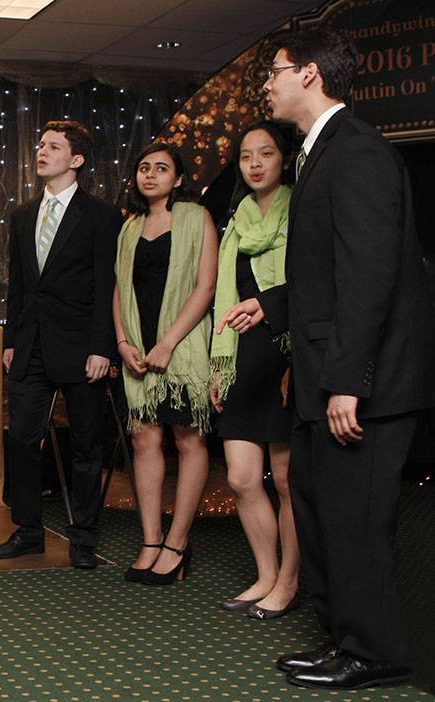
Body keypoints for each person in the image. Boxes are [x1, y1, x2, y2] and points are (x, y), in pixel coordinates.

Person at [220, 28, 434, 689]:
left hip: (362, 385)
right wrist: (273, 307)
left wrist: (348, 382)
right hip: (324, 377)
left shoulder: (360, 152)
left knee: (355, 522)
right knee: (315, 505)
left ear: (310, 74)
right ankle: (344, 640)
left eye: (275, 72)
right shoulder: (322, 153)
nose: (266, 84)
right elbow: (327, 273)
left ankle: (376, 653)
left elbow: (370, 276)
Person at [0, 121, 122, 569]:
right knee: (23, 440)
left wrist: (102, 347)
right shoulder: (24, 214)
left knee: (85, 447)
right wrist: (14, 342)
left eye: (53, 146)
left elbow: (107, 286)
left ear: (76, 160)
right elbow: (22, 285)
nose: (41, 151)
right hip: (32, 348)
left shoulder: (101, 215)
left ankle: (83, 538)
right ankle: (28, 530)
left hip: (84, 348)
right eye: (40, 144)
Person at [113, 142, 217, 586]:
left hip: (183, 342)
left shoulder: (196, 218)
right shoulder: (129, 227)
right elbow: (118, 289)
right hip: (138, 343)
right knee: (144, 440)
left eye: (161, 169)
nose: (150, 175)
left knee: (188, 437)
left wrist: (169, 343)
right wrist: (122, 341)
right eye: (143, 167)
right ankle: (151, 540)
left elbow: (206, 286)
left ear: (178, 180)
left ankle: (177, 542)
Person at [210, 121, 298, 619]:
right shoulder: (237, 218)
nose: (256, 164)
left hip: (285, 354)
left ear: (282, 160)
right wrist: (218, 366)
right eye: (246, 156)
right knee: (243, 479)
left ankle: (288, 581)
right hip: (240, 357)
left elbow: (310, 286)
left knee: (286, 480)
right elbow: (225, 298)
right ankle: (265, 574)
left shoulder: (301, 210)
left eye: (266, 154)